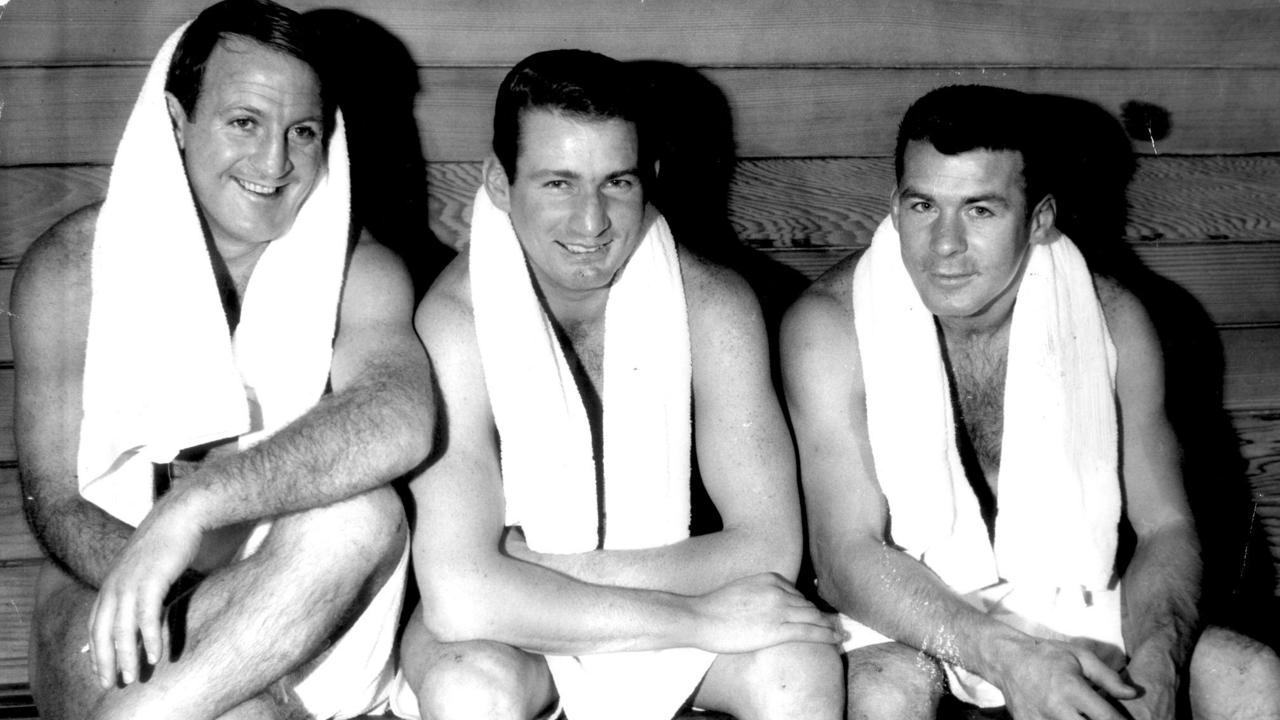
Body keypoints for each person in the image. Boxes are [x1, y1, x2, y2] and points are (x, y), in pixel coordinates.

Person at [781, 83, 1280, 720]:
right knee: (884, 688)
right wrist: (1011, 659)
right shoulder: (829, 326)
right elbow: (843, 557)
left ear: (1039, 218)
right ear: (894, 205)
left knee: (1249, 672)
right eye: (923, 205)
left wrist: (1159, 663)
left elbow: (1167, 527)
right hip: (909, 615)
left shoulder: (1113, 320)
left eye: (981, 210)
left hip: (1071, 596)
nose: (945, 244)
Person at [392, 49, 844, 720]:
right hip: (525, 629)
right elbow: (459, 596)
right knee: (468, 687)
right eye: (558, 183)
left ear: (649, 177)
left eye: (617, 183)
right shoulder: (454, 320)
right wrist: (697, 621)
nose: (591, 222)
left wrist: (533, 567)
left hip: (561, 589)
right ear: (496, 180)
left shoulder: (714, 305)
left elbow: (771, 545)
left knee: (797, 668)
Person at [11, 1, 434, 718]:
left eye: (302, 132)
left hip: (299, 605)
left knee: (362, 515)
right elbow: (55, 501)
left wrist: (197, 508)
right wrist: (189, 598)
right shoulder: (71, 267)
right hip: (108, 597)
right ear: (177, 122)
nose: (275, 163)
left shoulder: (358, 271)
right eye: (245, 122)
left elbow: (400, 420)